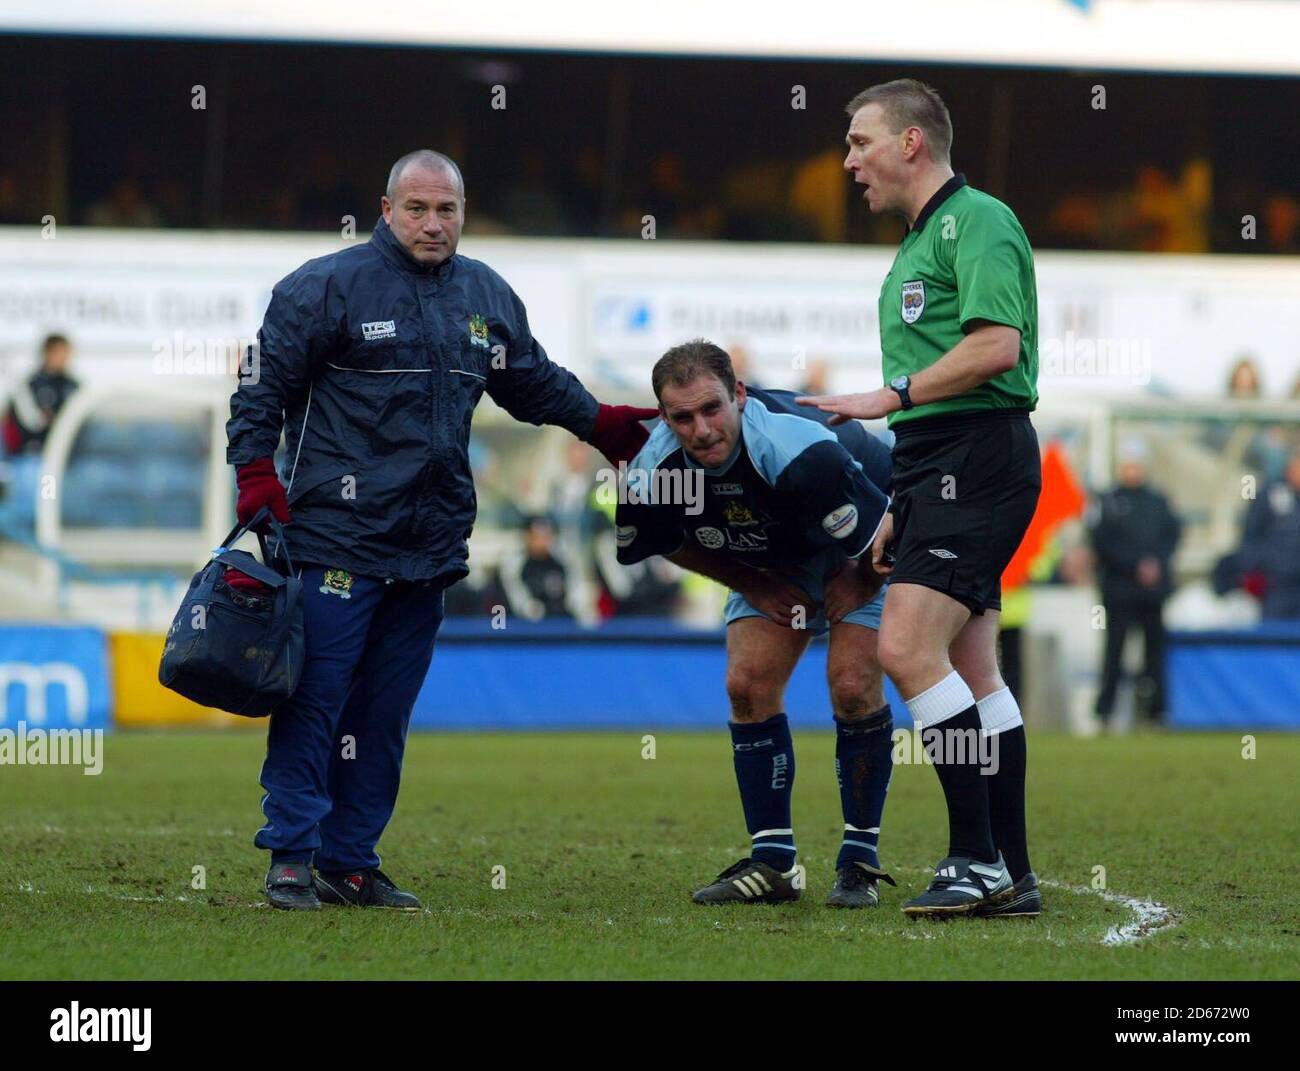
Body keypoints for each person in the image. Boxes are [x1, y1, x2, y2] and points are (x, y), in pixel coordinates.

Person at [226, 149, 654, 910]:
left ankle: (350, 861)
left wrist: (604, 424)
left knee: (383, 715)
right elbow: (260, 385)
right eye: (417, 208)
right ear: (385, 208)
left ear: (462, 211)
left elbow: (532, 381)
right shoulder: (324, 286)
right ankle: (290, 854)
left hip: (427, 546)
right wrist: (254, 472)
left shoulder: (484, 294)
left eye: (446, 210)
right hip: (333, 536)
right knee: (316, 700)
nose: (433, 223)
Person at [799, 79, 1042, 918]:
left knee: (904, 648)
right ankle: (1010, 869)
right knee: (974, 668)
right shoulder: (910, 249)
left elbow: (998, 347)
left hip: (981, 452)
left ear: (910, 142)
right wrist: (903, 496)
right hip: (940, 463)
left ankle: (974, 858)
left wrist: (887, 394)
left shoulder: (975, 221)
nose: (848, 160)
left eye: (860, 140)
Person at [617, 339, 898, 908]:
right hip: (773, 556)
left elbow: (887, 527)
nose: (701, 430)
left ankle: (859, 860)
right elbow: (665, 540)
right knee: (746, 685)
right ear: (665, 418)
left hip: (871, 536)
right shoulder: (653, 472)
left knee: (851, 685)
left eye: (712, 408)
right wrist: (751, 581)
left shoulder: (799, 450)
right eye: (682, 417)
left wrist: (861, 579)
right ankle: (772, 863)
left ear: (739, 395)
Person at [1087, 439, 1183, 727]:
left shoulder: (1158, 501)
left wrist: (1156, 564)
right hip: (1119, 590)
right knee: (1114, 651)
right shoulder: (1109, 500)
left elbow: (1172, 535)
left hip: (1152, 593)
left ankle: (1156, 711)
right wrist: (1134, 565)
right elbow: (1102, 541)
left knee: (1154, 653)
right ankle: (1106, 711)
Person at [1238, 443, 1300, 620]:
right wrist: (1251, 571)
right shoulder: (1269, 495)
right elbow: (1251, 535)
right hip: (1275, 585)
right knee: (1275, 635)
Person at [2, 334, 79, 457]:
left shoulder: (74, 386)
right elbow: (28, 421)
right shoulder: (30, 386)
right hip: (33, 454)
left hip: (66, 456)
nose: (64, 358)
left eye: (66, 353)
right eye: (59, 353)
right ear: (47, 353)